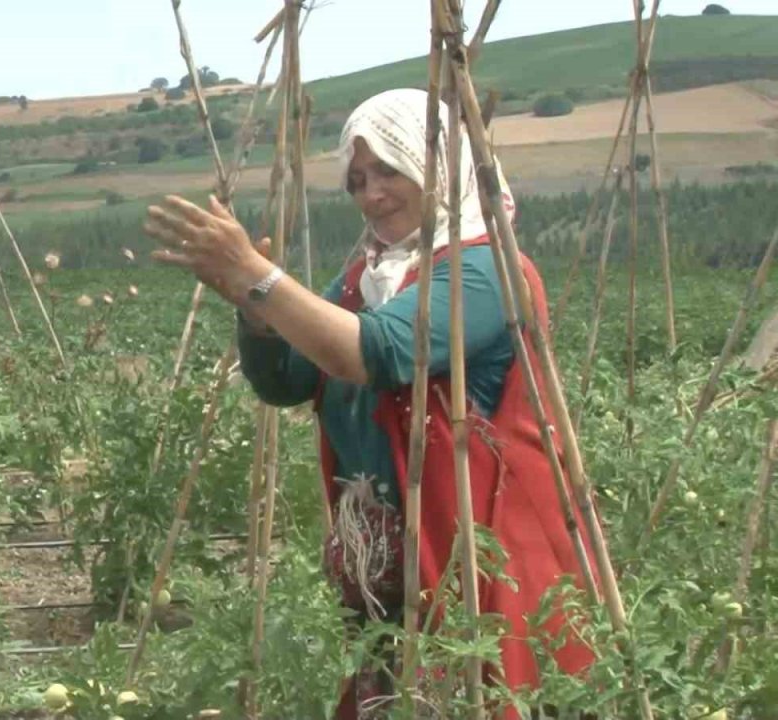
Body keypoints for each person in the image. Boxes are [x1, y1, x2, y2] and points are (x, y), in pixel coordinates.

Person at [144, 88, 597, 718]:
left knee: (478, 690)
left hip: (479, 548)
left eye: (388, 169)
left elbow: (380, 351)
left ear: (437, 166)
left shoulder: (487, 271)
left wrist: (262, 276)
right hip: (395, 554)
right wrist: (254, 307)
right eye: (356, 179)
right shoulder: (370, 273)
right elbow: (288, 380)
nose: (370, 193)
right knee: (404, 690)